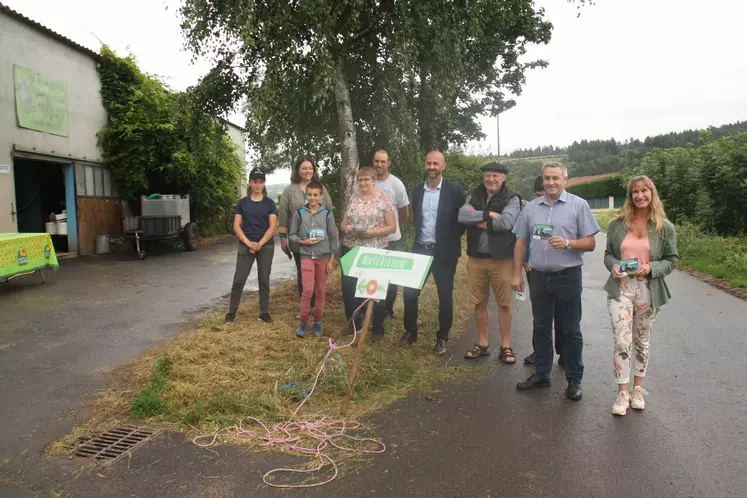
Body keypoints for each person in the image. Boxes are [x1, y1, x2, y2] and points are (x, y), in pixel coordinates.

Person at [511, 162, 600, 401]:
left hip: (568, 276)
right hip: (538, 277)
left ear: (565, 180)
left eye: (556, 178)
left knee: (571, 329)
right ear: (543, 179)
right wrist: (516, 273)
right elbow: (520, 241)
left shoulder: (578, 205)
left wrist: (569, 243)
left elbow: (591, 243)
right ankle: (541, 374)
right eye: (547, 178)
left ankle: (574, 379)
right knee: (541, 327)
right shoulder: (530, 208)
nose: (551, 183)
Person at [604, 175, 678, 416]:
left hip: (648, 289)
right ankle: (622, 392)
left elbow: (671, 260)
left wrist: (652, 268)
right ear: (630, 196)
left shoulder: (663, 227)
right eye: (636, 191)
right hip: (621, 289)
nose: (640, 195)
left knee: (642, 340)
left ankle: (638, 389)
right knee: (622, 340)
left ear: (652, 193)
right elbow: (608, 255)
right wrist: (613, 265)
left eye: (645, 191)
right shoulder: (617, 224)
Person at [401, 151, 466, 356]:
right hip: (420, 249)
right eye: (428, 163)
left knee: (445, 296)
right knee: (410, 292)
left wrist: (449, 239)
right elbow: (417, 219)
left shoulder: (455, 190)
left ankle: (442, 337)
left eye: (435, 163)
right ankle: (411, 332)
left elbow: (462, 220)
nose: (431, 167)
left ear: (443, 167)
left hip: (445, 252)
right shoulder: (418, 190)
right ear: (425, 165)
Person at [458, 162, 521, 363]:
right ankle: (483, 344)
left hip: (502, 259)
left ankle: (506, 346)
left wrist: (476, 220)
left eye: (495, 176)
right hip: (476, 258)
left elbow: (506, 223)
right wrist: (488, 214)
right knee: (479, 302)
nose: (490, 179)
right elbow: (461, 215)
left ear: (503, 178)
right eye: (487, 175)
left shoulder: (512, 199)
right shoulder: (474, 196)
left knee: (504, 303)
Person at [339, 167, 396, 340]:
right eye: (360, 180)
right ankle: (354, 324)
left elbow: (392, 227)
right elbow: (342, 224)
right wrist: (346, 228)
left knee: (375, 290)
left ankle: (377, 328)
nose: (362, 183)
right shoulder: (353, 199)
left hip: (375, 250)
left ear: (373, 180)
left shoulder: (383, 199)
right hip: (352, 249)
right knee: (349, 288)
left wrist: (373, 232)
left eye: (366, 180)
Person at [277, 155, 334, 306]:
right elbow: (283, 216)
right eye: (304, 168)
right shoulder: (289, 191)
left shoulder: (321, 189)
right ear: (298, 170)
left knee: (318, 276)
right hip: (300, 242)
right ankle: (306, 307)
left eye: (310, 168)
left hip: (320, 241)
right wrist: (283, 238)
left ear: (314, 170)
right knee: (303, 275)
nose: (307, 171)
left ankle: (317, 307)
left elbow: (329, 212)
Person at [225, 168, 278, 324]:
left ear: (264, 183)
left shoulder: (269, 203)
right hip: (246, 245)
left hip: (265, 246)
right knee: (239, 279)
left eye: (261, 181)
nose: (258, 184)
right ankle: (231, 312)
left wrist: (260, 243)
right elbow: (236, 226)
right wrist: (249, 243)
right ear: (250, 182)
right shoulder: (242, 203)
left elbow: (272, 226)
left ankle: (264, 312)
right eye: (255, 181)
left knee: (263, 279)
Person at [523, 175, 566, 367]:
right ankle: (539, 352)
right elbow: (522, 238)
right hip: (536, 269)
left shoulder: (565, 209)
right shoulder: (531, 209)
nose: (544, 196)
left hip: (560, 270)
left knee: (562, 314)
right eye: (539, 194)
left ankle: (564, 352)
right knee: (540, 315)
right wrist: (525, 261)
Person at [288, 180, 339, 338]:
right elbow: (292, 235)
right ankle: (303, 322)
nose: (312, 197)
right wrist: (303, 241)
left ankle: (317, 322)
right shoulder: (299, 213)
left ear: (321, 196)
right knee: (307, 290)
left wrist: (332, 260)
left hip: (323, 258)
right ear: (306, 195)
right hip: (306, 256)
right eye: (309, 194)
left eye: (315, 195)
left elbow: (333, 237)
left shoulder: (327, 214)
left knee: (320, 291)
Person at [373, 149, 410, 318]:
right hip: (372, 240)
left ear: (389, 163)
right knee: (374, 274)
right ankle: (374, 309)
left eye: (383, 161)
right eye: (376, 161)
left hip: (392, 239)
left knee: (390, 277)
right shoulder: (369, 182)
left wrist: (392, 227)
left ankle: (388, 309)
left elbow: (404, 212)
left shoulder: (396, 184)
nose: (379, 164)